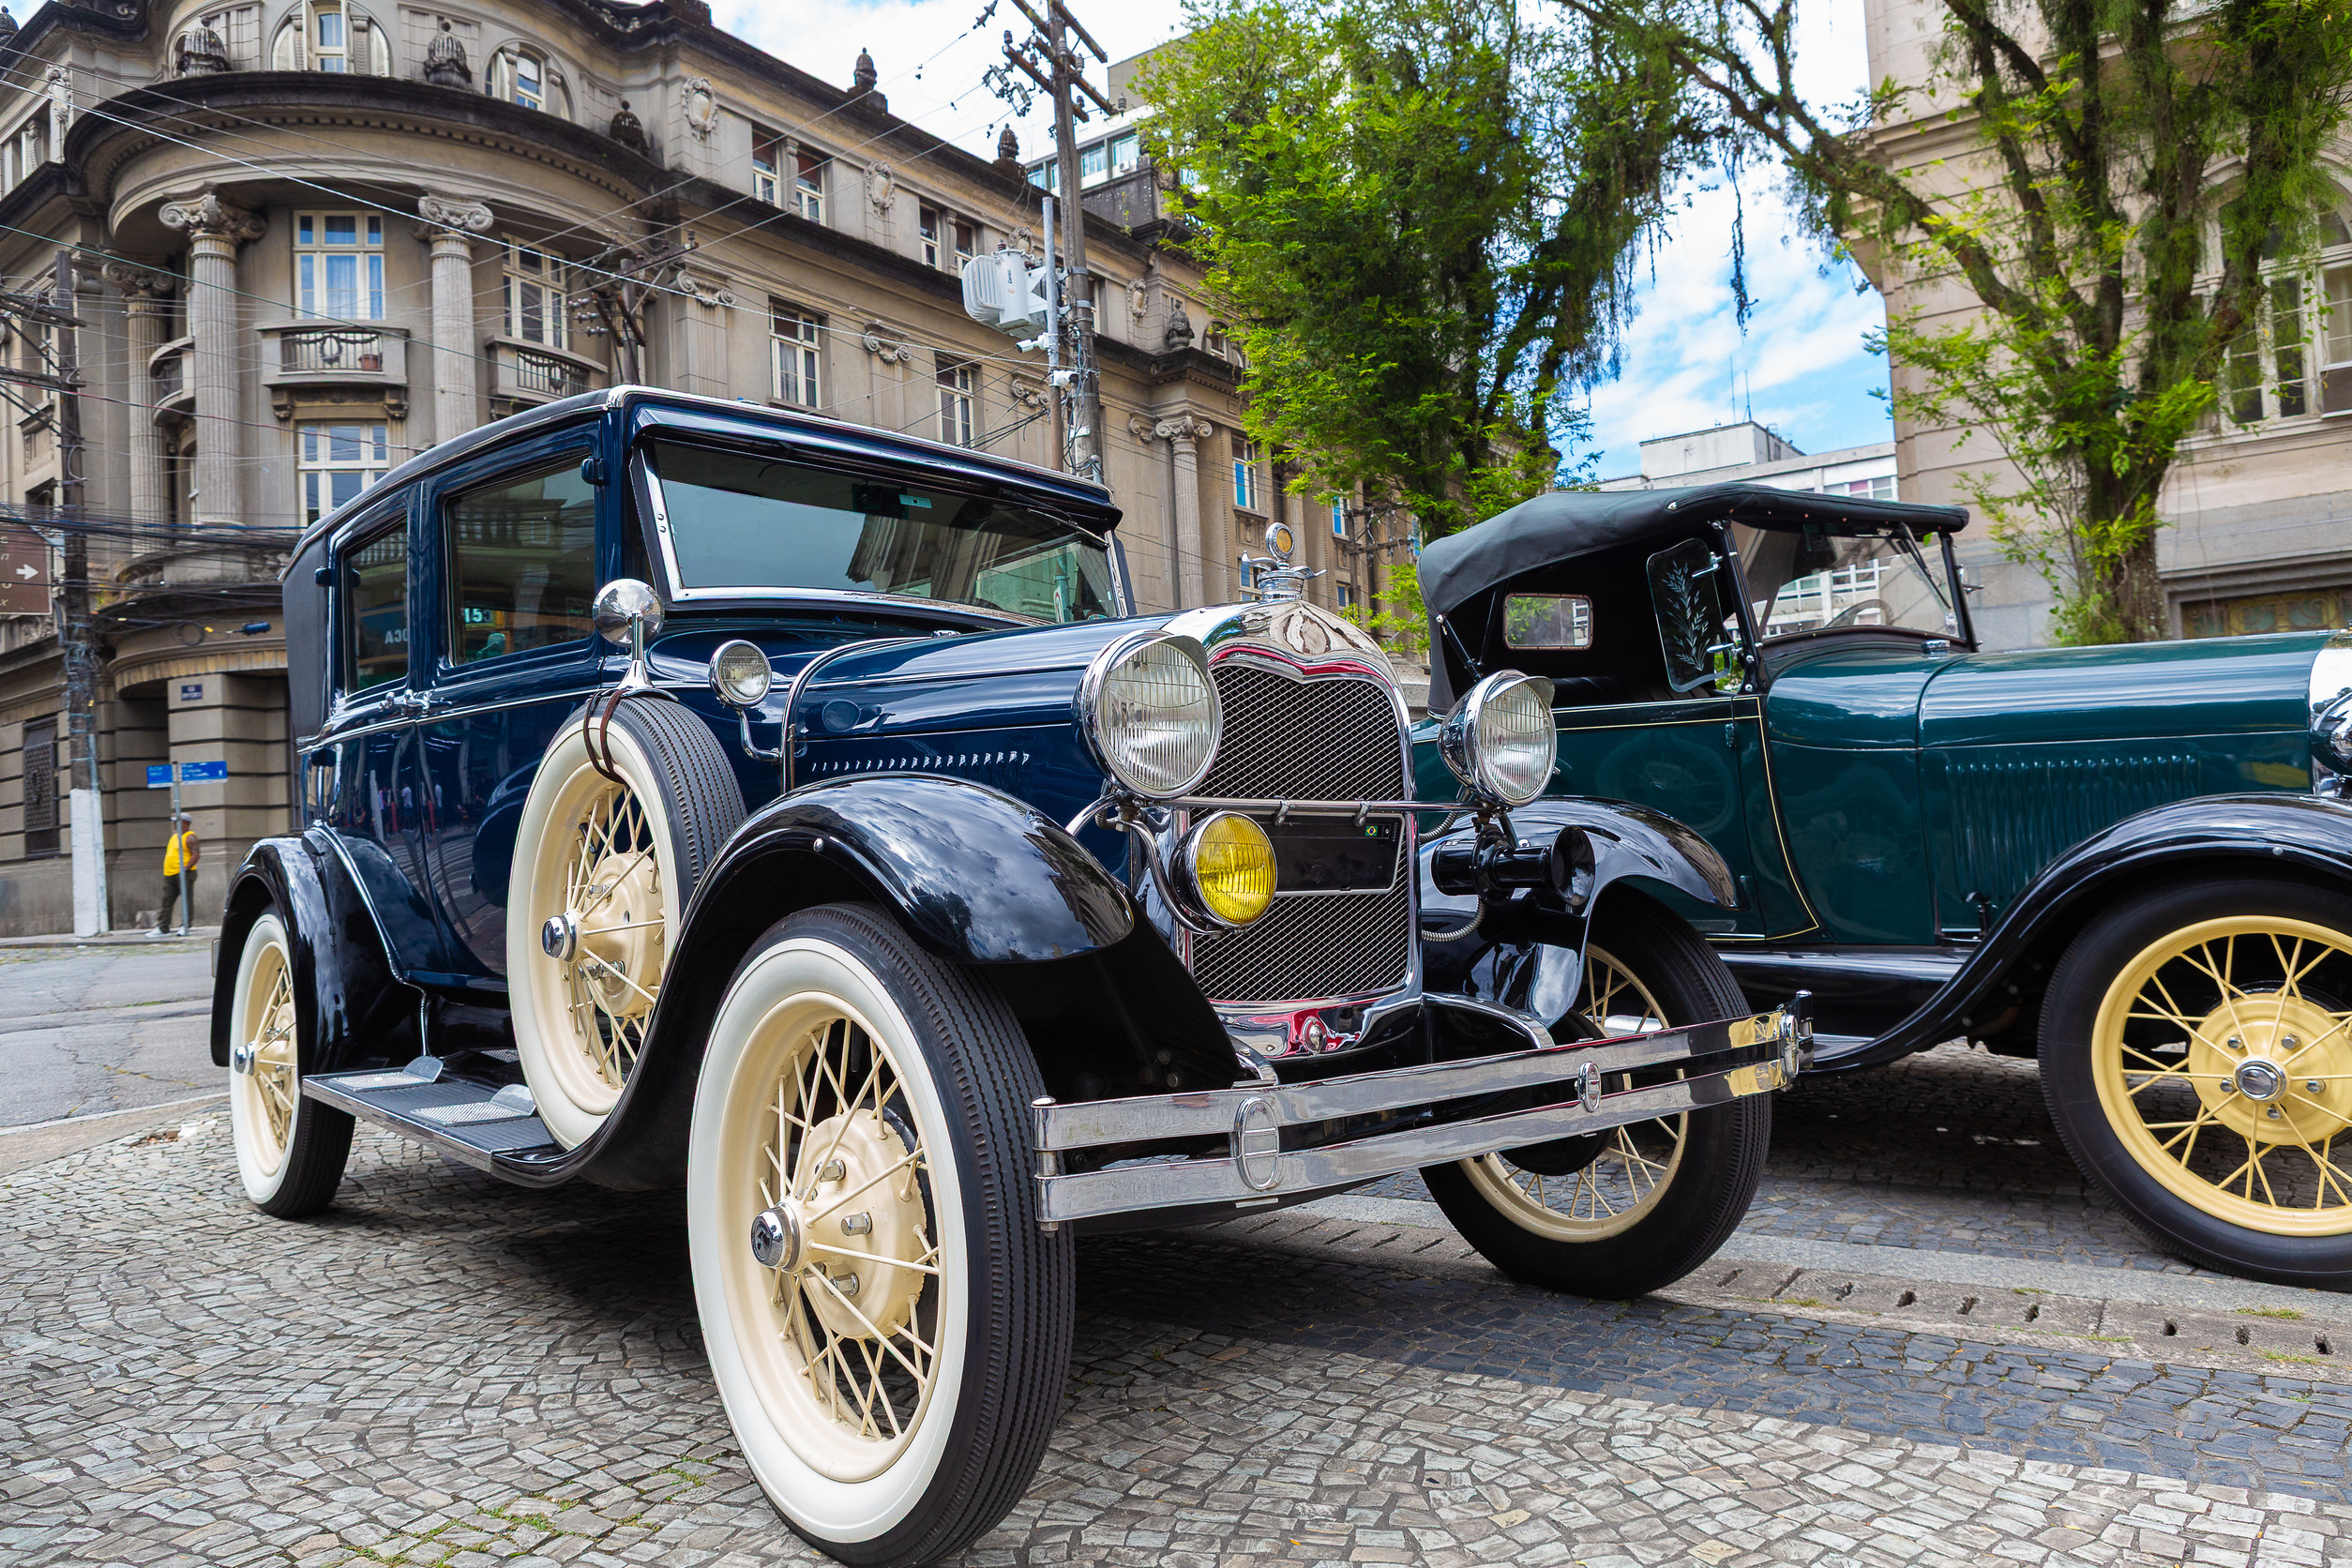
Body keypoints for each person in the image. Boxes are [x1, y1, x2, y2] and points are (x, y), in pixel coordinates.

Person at [157, 812, 199, 935]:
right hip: (169, 874)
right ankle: (163, 927)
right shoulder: (175, 837)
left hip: (184, 873)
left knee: (186, 899)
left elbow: (196, 855)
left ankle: (185, 925)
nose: (174, 824)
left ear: (185, 823)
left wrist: (185, 868)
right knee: (166, 901)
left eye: (176, 822)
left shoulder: (190, 837)